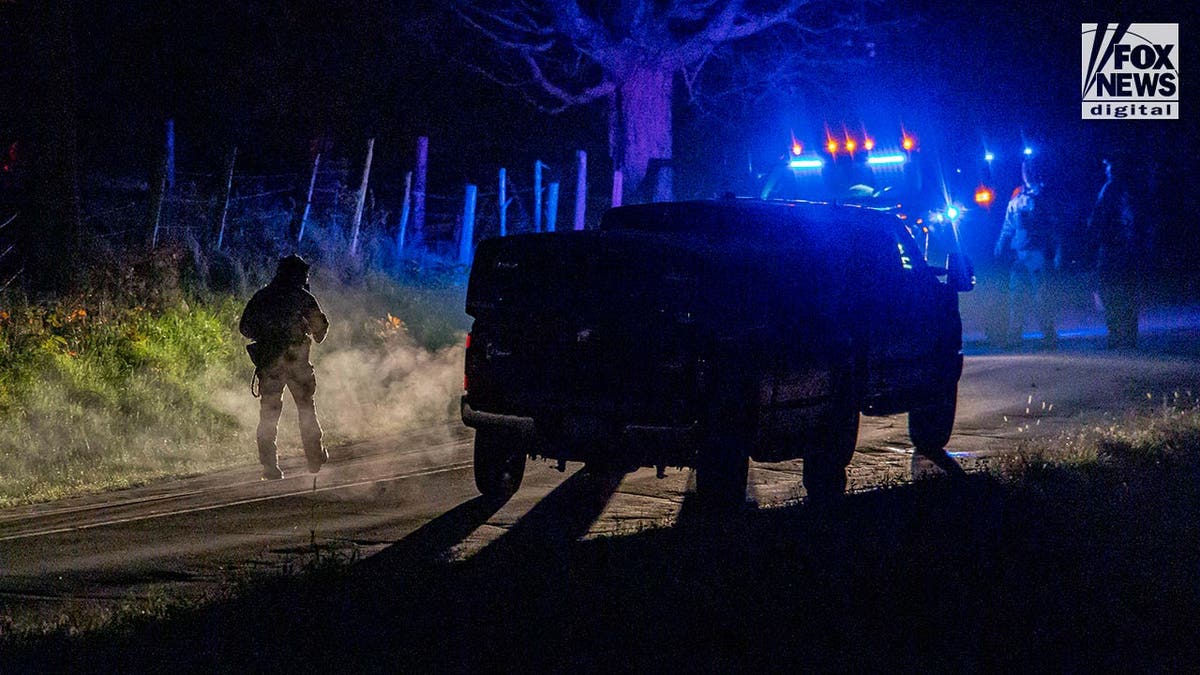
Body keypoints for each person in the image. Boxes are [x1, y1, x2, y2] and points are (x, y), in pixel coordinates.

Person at [239, 254, 330, 480]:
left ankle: (270, 467)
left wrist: (268, 333)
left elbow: (245, 328)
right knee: (306, 410)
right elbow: (320, 333)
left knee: (269, 415)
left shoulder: (262, 297)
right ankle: (314, 458)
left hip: (271, 364)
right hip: (297, 364)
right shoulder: (304, 298)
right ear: (299, 275)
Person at [994, 157, 1058, 348]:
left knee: (1042, 298)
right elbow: (1008, 225)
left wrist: (1057, 252)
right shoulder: (1017, 197)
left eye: (1029, 169)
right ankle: (1014, 338)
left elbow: (1054, 226)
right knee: (1017, 298)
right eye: (1024, 170)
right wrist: (1001, 243)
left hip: (1038, 254)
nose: (1026, 173)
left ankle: (1049, 337)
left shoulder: (1044, 196)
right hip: (1020, 254)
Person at [1087, 155, 1144, 349]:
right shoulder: (1131, 189)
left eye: (1110, 166)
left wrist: (1095, 234)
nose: (1107, 170)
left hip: (1113, 248)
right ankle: (1128, 335)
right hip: (1126, 247)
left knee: (1112, 291)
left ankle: (1117, 335)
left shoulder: (1111, 188)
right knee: (1126, 291)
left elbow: (1099, 217)